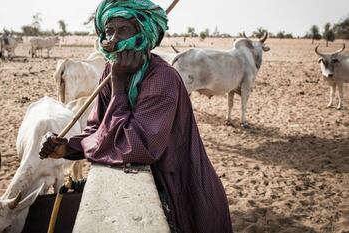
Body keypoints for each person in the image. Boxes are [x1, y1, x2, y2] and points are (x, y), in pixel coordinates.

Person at [39, 0, 232, 232]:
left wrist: (119, 88)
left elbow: (136, 148)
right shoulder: (111, 70)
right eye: (109, 31)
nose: (112, 39)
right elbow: (99, 128)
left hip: (181, 186)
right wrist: (68, 148)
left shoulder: (162, 79)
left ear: (143, 34)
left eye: (123, 30)